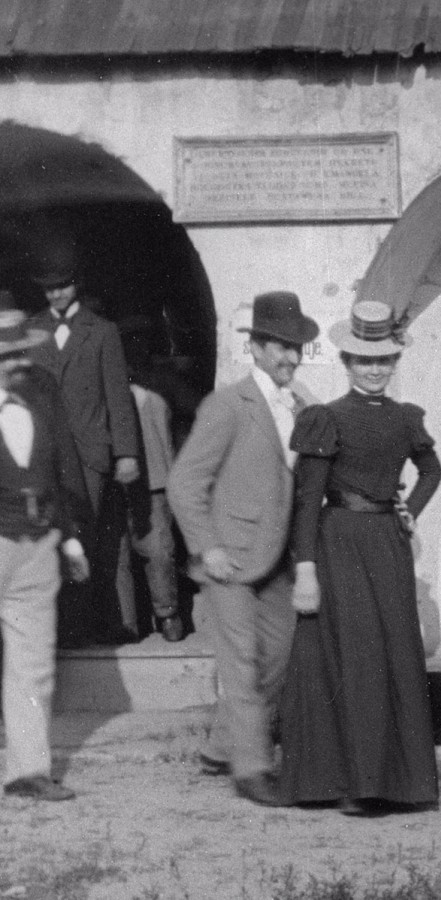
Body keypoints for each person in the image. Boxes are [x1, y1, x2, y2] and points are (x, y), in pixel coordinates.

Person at [278, 300, 441, 816]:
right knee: (352, 657)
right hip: (338, 544)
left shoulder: (406, 417)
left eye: (384, 361)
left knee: (392, 652)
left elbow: (432, 471)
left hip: (387, 546)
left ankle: (394, 784)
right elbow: (308, 500)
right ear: (347, 363)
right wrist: (305, 568)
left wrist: (407, 511)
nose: (375, 370)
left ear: (394, 365)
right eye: (364, 361)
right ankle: (342, 782)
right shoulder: (325, 418)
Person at [167, 291, 318, 807]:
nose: (290, 358)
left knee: (278, 657)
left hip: (280, 562)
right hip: (229, 559)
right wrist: (206, 547)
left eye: (297, 348)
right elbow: (185, 482)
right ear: (254, 348)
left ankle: (219, 748)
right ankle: (253, 770)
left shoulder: (305, 407)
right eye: (279, 346)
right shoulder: (227, 405)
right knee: (243, 665)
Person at [26, 236, 140, 646]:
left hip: (89, 455)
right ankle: (56, 629)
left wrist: (125, 452)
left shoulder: (102, 331)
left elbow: (117, 396)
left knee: (82, 536)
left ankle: (81, 630)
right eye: (49, 287)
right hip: (44, 454)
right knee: (48, 535)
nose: (56, 293)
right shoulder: (32, 331)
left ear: (76, 284)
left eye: (64, 285)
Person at [0, 308, 90, 800]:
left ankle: (28, 771)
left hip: (37, 547)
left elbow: (54, 472)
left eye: (19, 353)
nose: (17, 363)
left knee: (34, 662)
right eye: (6, 356)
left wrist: (70, 538)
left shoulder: (37, 400)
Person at [115, 316, 184, 641]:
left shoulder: (163, 381)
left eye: (141, 341)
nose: (135, 348)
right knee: (119, 554)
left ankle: (167, 614)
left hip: (157, 479)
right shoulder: (109, 382)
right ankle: (126, 621)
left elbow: (192, 411)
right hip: (118, 479)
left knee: (158, 552)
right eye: (128, 342)